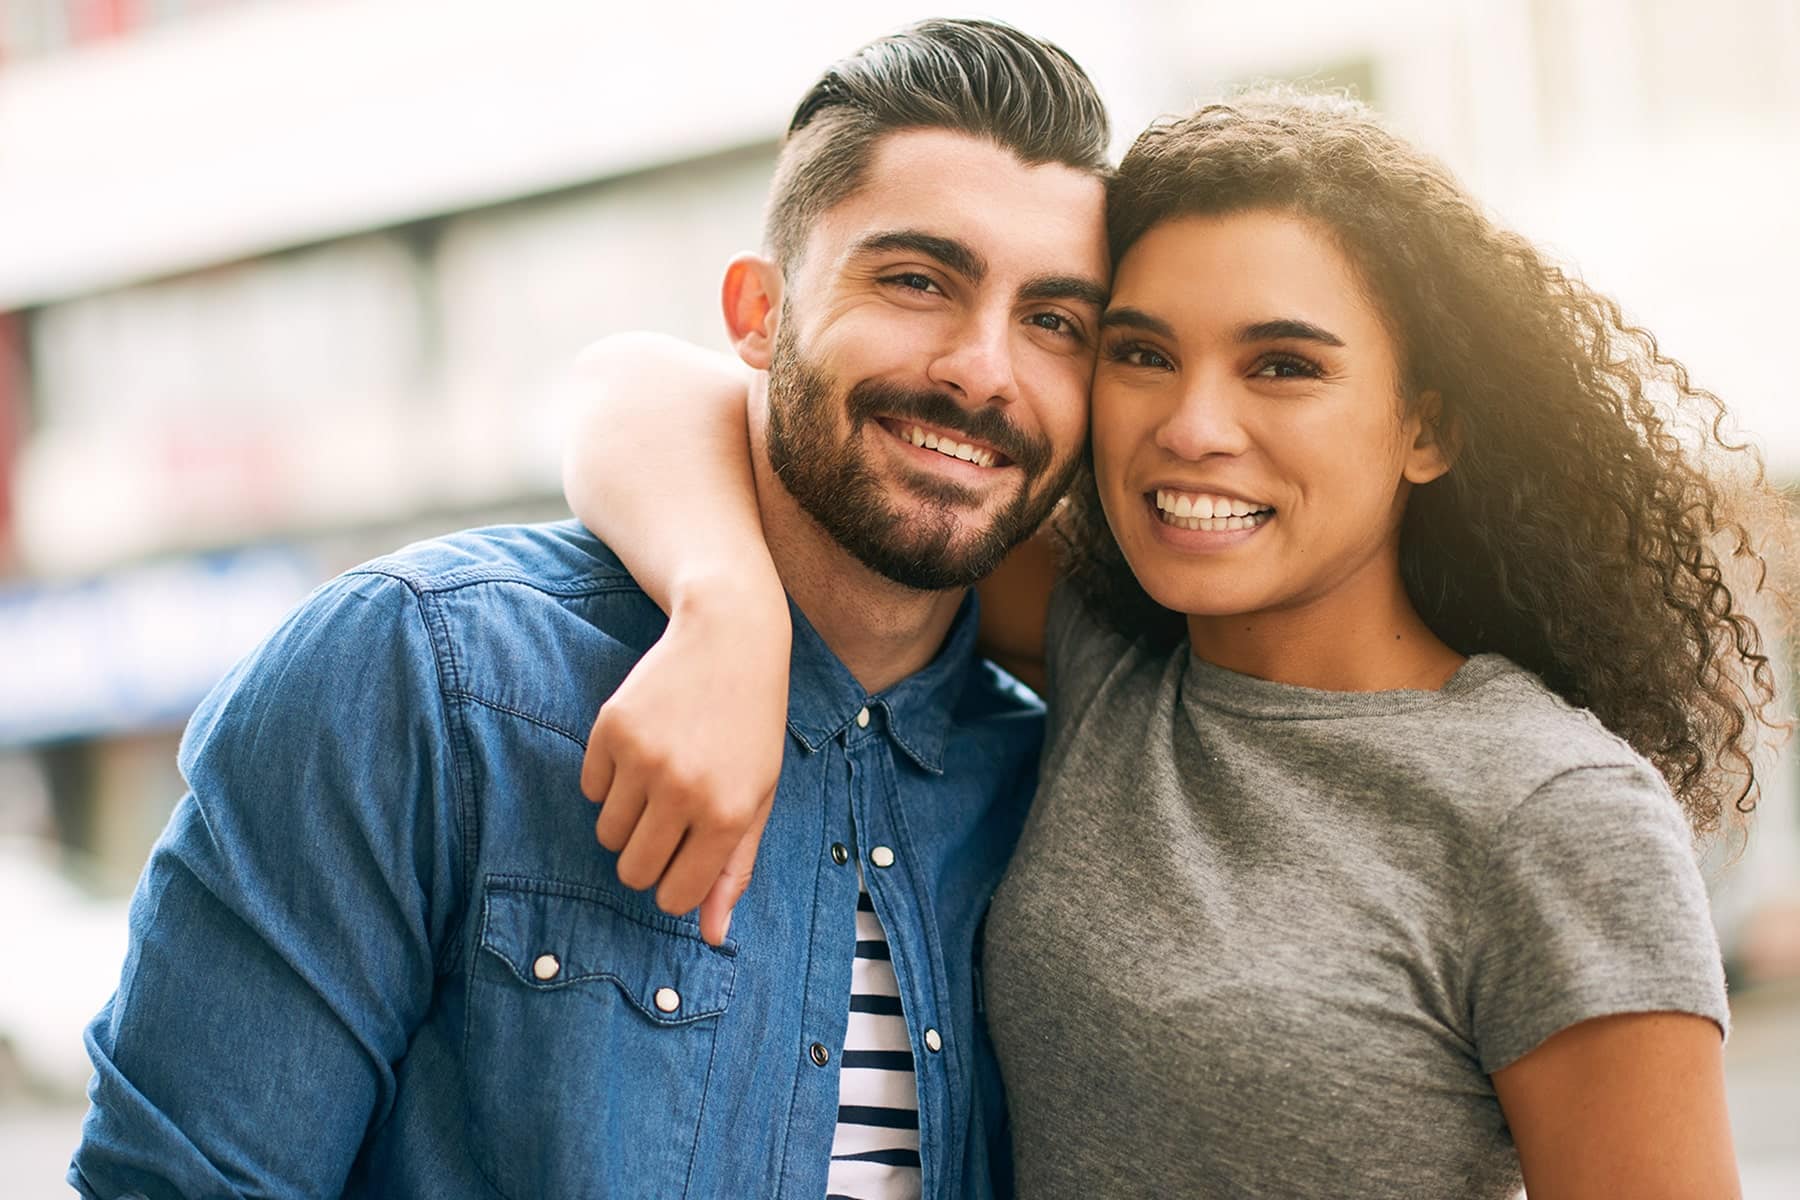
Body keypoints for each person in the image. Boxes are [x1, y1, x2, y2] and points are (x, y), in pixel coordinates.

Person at [560, 91, 1789, 1197]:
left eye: (1284, 366)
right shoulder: (1119, 654)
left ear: (1427, 426)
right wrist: (727, 610)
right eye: (1142, 354)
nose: (1195, 426)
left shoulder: (1554, 811)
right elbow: (659, 388)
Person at [71, 20, 1111, 1199]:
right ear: (759, 314)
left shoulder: (1053, 784)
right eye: (918, 280)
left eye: (1054, 322)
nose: (985, 368)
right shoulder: (426, 677)